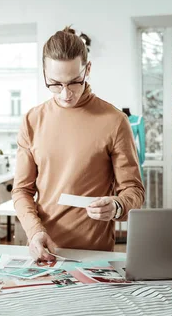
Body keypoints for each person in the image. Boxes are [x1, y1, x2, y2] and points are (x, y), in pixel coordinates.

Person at [12, 26, 145, 261]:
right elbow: (22, 190)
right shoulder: (32, 120)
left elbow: (134, 191)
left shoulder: (115, 121)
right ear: (44, 73)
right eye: (55, 84)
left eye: (74, 82)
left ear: (88, 69)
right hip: (44, 251)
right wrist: (34, 231)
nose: (65, 94)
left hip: (95, 257)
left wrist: (116, 206)